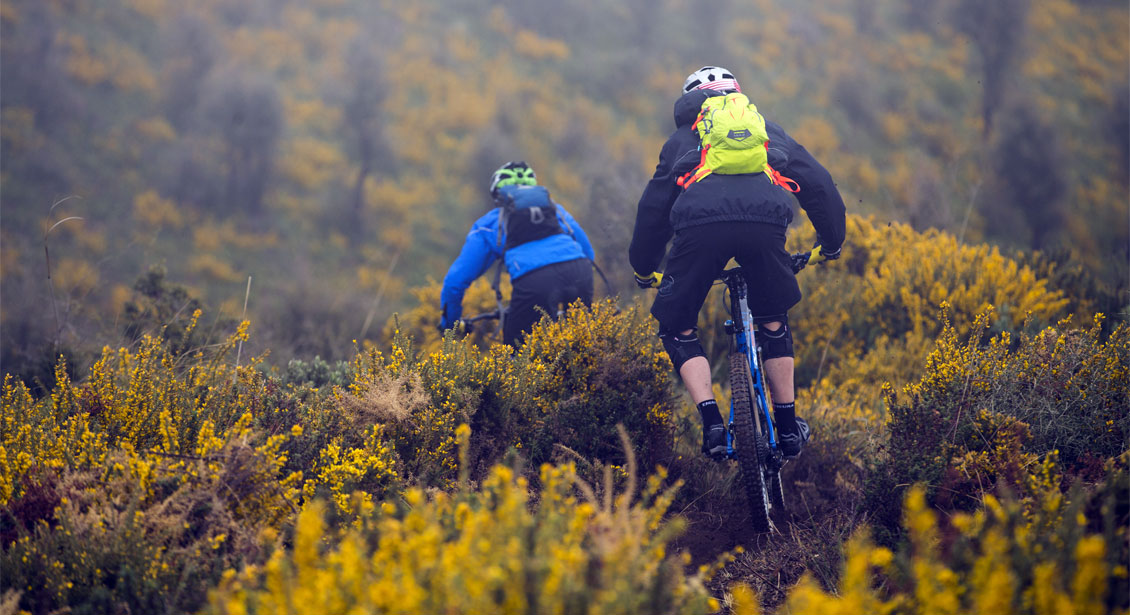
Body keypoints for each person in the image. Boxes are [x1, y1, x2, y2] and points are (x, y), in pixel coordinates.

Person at [629, 66, 846, 459]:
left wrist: (644, 267)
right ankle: (787, 425)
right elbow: (818, 184)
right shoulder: (766, 130)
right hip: (765, 222)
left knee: (676, 326)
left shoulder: (680, 140)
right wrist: (831, 242)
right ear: (735, 94)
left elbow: (653, 211)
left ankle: (712, 425)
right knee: (773, 318)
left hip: (700, 228)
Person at [440, 161, 596, 346]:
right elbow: (588, 253)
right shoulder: (557, 211)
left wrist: (449, 326)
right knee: (584, 349)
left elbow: (455, 282)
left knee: (518, 357)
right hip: (580, 272)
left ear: (499, 195)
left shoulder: (489, 223)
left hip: (535, 282)